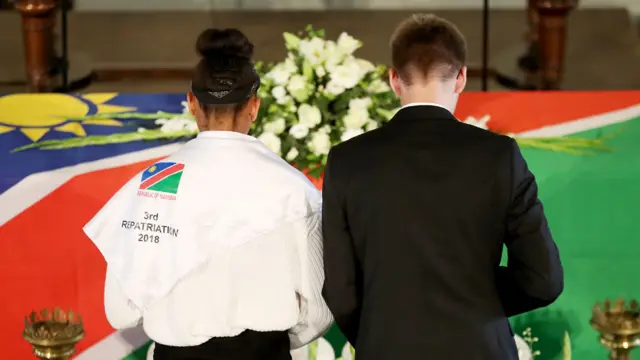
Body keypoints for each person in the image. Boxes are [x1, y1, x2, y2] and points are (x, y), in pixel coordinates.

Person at [321, 14, 563, 360]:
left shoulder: (347, 161)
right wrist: (477, 303)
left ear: (393, 79)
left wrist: (384, 329)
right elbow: (544, 280)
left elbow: (341, 292)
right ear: (462, 77)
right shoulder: (499, 156)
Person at [84, 28, 332, 360]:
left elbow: (120, 310)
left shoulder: (149, 187)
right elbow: (318, 308)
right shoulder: (293, 188)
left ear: (191, 103)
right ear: (254, 107)